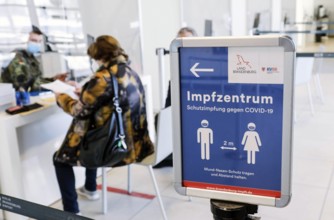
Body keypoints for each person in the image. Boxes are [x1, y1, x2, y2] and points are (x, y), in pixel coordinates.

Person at [53, 35, 155, 214]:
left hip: (115, 149)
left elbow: (78, 111)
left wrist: (59, 95)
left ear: (100, 57)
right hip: (136, 145)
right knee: (94, 134)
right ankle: (90, 187)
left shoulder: (102, 78)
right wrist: (84, 91)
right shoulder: (130, 71)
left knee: (60, 159)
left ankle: (71, 212)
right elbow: (108, 98)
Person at [154, 27, 197, 168]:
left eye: (186, 41)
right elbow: (169, 102)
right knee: (160, 119)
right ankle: (167, 157)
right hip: (179, 109)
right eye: (180, 41)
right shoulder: (176, 68)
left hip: (194, 110)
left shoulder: (200, 65)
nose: (183, 44)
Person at [1, 26, 67, 92]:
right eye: (33, 40)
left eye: (39, 41)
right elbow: (23, 84)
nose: (37, 44)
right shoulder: (18, 59)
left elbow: (36, 80)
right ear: (25, 40)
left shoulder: (31, 59)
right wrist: (51, 85)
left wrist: (53, 79)